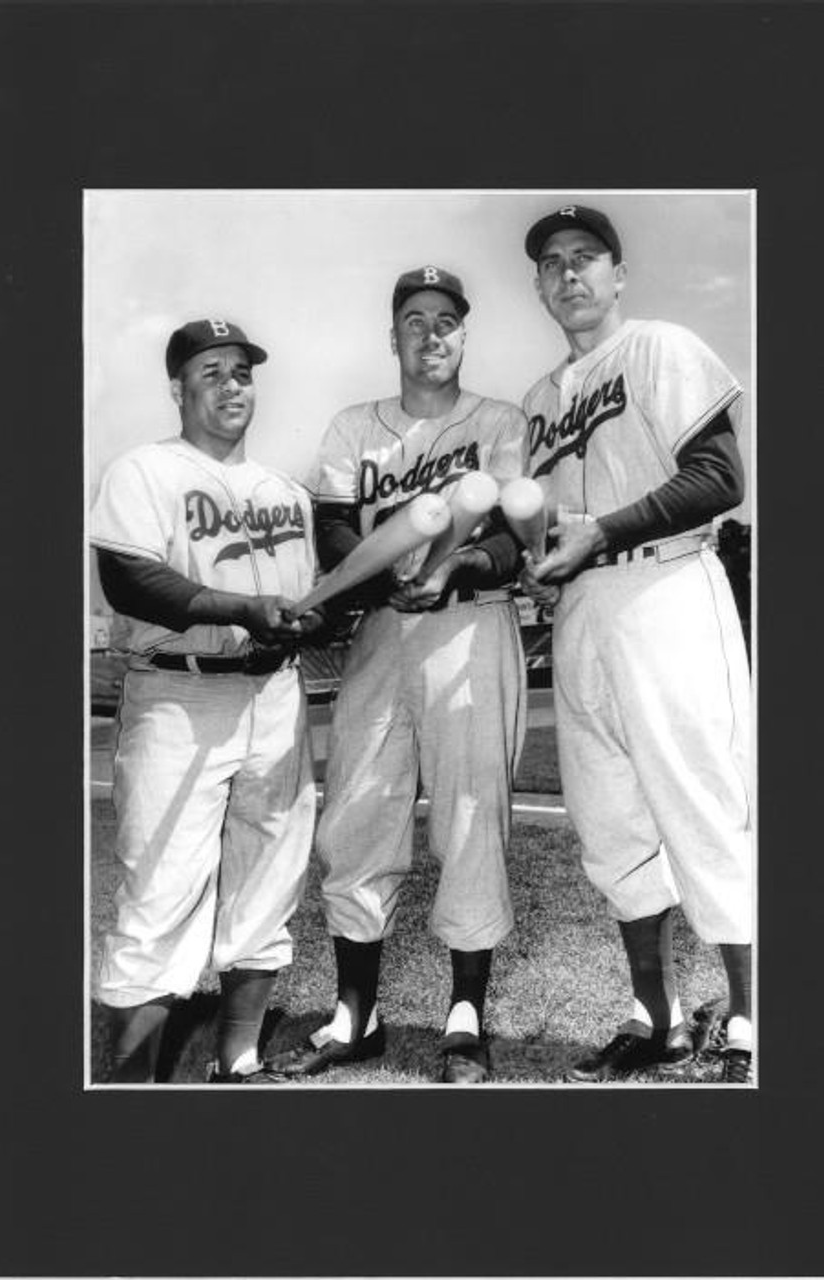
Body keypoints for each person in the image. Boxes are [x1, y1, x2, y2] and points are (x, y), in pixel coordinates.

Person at [268, 267, 528, 1084]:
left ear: (463, 334)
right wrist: (387, 582)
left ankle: (465, 1019)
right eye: (413, 320)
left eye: (445, 319)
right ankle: (357, 1016)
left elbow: (516, 538)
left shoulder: (501, 421)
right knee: (358, 814)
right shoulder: (354, 429)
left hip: (471, 629)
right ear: (393, 337)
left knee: (471, 814)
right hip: (383, 635)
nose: (430, 334)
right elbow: (338, 535)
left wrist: (460, 566)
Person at [519, 205, 755, 1084]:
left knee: (702, 798)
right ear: (539, 288)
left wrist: (603, 532)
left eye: (587, 258)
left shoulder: (660, 346)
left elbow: (722, 477)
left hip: (665, 588)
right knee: (611, 822)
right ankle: (652, 1015)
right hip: (582, 608)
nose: (569, 273)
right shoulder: (541, 400)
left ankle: (751, 1020)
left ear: (619, 275)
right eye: (551, 263)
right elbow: (536, 529)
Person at [89, 318, 323, 1083]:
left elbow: (307, 600)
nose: (232, 385)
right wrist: (241, 610)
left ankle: (239, 1060)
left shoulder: (286, 492)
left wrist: (311, 619)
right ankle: (128, 1088)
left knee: (269, 878)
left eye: (243, 373)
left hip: (275, 693)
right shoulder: (144, 470)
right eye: (212, 372)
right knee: (159, 888)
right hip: (179, 697)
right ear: (179, 388)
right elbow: (128, 578)